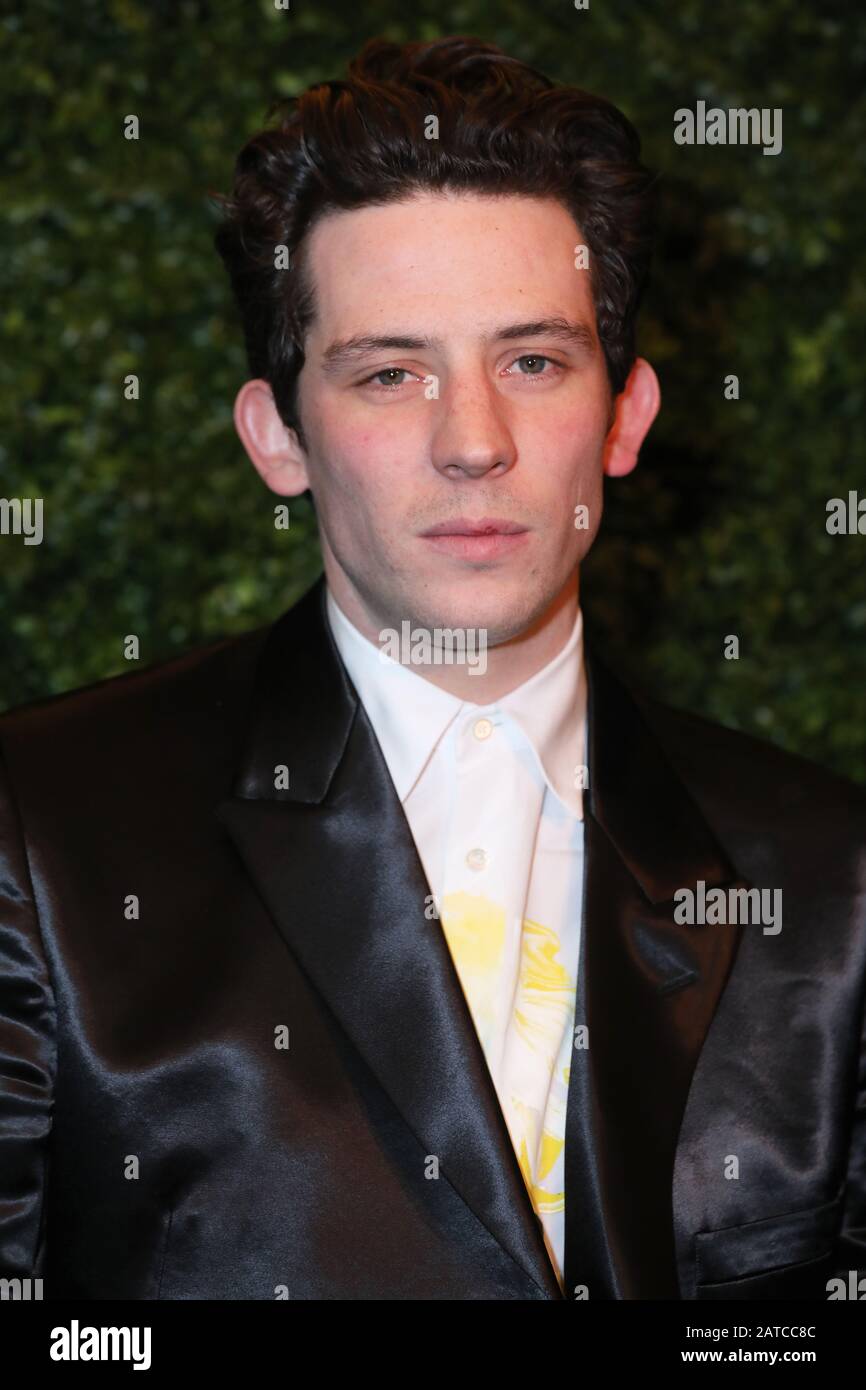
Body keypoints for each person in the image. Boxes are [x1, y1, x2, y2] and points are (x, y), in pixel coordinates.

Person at [1, 35, 863, 1302]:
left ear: (622, 416)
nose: (473, 443)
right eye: (390, 372)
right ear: (278, 436)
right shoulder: (39, 828)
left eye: (532, 361)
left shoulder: (833, 875)